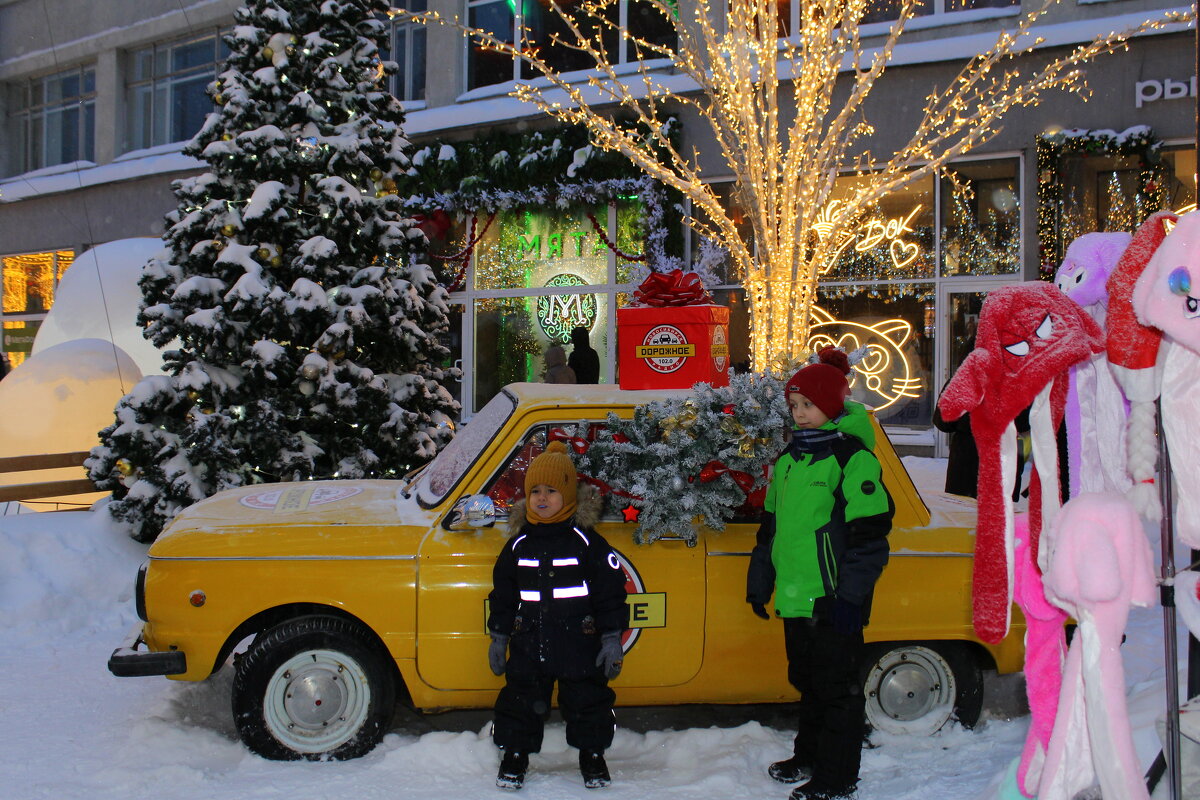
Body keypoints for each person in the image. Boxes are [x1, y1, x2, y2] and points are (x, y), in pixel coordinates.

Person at [746, 347, 894, 800]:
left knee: (837, 693)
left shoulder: (853, 460)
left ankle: (837, 778)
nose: (799, 413)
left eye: (807, 405)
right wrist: (761, 583)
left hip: (832, 601)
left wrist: (848, 598)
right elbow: (770, 531)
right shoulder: (789, 461)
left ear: (830, 406)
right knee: (808, 683)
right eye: (794, 406)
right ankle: (807, 755)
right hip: (795, 597)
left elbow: (870, 538)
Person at [487, 441, 629, 790]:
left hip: (579, 642)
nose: (542, 498)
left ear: (567, 494)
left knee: (588, 701)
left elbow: (610, 594)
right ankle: (515, 755)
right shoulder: (518, 544)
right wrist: (499, 635)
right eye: (535, 491)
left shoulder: (587, 542)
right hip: (528, 642)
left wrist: (611, 638)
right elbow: (503, 595)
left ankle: (592, 755)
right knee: (520, 700)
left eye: (551, 491)